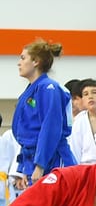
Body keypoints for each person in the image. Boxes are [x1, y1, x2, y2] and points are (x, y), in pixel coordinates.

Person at [11, 38, 77, 193]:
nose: (18, 63)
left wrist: (40, 165)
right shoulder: (32, 90)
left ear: (36, 61)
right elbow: (28, 134)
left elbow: (50, 128)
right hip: (34, 160)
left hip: (53, 160)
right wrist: (24, 167)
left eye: (23, 58)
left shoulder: (49, 88)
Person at [69, 79, 96, 164]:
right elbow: (75, 152)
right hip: (85, 169)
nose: (90, 96)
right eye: (85, 94)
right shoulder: (79, 121)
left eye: (94, 92)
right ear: (83, 100)